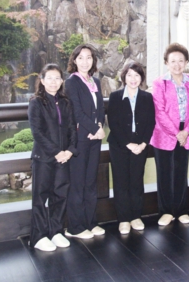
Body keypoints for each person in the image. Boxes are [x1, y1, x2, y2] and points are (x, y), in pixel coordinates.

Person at [150, 43, 189, 226]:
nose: (177, 64)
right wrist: (176, 132)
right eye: (173, 61)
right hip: (164, 133)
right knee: (164, 173)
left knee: (181, 172)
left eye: (181, 60)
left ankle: (181, 210)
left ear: (186, 62)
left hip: (185, 132)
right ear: (166, 63)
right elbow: (159, 111)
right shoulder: (159, 83)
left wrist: (186, 131)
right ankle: (165, 211)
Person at [28, 64, 77, 251]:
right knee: (40, 197)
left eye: (57, 78)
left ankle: (56, 231)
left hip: (64, 157)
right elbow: (37, 133)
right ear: (42, 81)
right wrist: (56, 152)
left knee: (60, 194)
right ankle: (38, 236)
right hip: (44, 157)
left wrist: (70, 150)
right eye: (49, 78)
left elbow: (72, 128)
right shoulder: (36, 102)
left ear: (62, 81)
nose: (54, 82)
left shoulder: (65, 102)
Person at [106, 62, 156, 235]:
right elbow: (113, 123)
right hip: (119, 145)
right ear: (124, 77)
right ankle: (123, 219)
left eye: (137, 75)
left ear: (141, 78)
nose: (133, 79)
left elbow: (151, 122)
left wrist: (143, 144)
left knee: (136, 180)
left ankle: (135, 216)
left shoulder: (147, 97)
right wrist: (128, 144)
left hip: (140, 146)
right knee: (121, 182)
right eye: (129, 75)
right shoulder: (115, 96)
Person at [64, 44, 106, 239]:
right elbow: (77, 112)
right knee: (78, 182)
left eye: (89, 57)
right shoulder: (71, 82)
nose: (85, 61)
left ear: (93, 60)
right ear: (74, 60)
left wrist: (99, 126)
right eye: (80, 57)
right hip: (80, 139)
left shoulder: (94, 81)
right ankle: (75, 227)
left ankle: (90, 222)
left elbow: (101, 109)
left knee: (90, 182)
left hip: (94, 138)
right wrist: (95, 129)